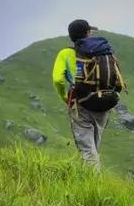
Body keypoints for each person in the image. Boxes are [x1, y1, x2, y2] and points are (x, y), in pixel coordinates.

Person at [51, 19, 125, 169]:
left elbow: (57, 79)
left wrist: (64, 96)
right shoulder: (101, 52)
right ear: (87, 33)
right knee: (94, 146)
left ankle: (93, 180)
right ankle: (92, 175)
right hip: (104, 101)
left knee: (87, 148)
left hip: (81, 103)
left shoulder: (65, 53)